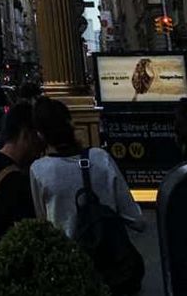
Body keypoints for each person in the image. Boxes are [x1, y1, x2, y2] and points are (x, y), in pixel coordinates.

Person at [29, 97, 144, 240]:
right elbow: (136, 218)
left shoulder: (39, 170)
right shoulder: (101, 158)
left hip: (67, 256)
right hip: (109, 252)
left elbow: (42, 223)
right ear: (71, 124)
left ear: (40, 135)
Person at [0, 101, 40, 257]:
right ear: (25, 134)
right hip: (12, 258)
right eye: (37, 137)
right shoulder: (18, 178)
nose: (40, 146)